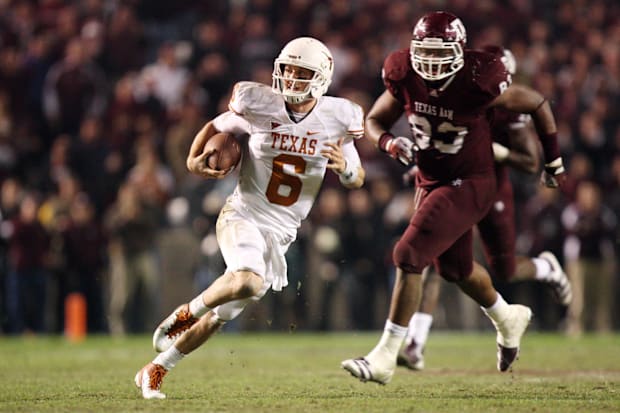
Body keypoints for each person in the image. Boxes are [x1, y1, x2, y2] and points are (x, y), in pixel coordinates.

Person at [341, 11, 567, 384]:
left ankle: (385, 355)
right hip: (429, 180)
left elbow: (537, 103)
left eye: (439, 53)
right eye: (424, 52)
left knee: (408, 255)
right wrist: (388, 142)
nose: (429, 62)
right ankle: (507, 317)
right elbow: (374, 120)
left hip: (471, 181)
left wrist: (554, 160)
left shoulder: (479, 79)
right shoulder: (403, 73)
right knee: (455, 270)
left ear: (459, 52)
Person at [134, 37, 366, 399]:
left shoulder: (338, 117)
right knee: (247, 282)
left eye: (301, 73)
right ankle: (184, 314)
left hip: (282, 232)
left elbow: (356, 174)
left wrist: (347, 172)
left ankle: (156, 368)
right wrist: (193, 160)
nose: (290, 79)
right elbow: (216, 126)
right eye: (286, 70)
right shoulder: (259, 104)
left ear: (321, 77)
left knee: (221, 316)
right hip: (243, 214)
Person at [396, 45, 573, 371]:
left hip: (490, 187)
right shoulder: (458, 90)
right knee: (431, 256)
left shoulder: (508, 105)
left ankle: (546, 269)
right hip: (455, 186)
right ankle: (415, 343)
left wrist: (493, 150)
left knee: (504, 268)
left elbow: (529, 161)